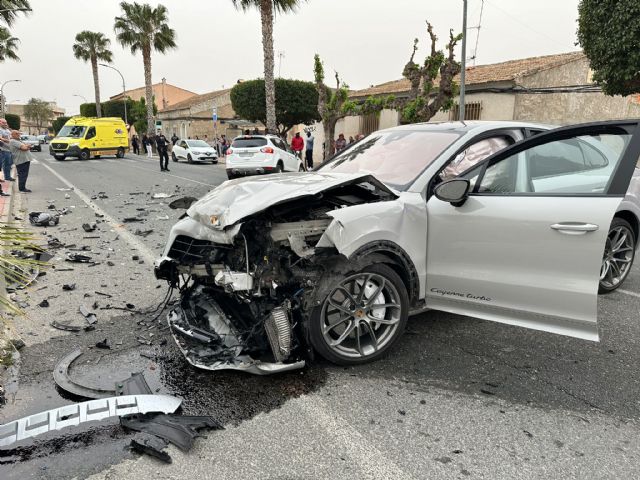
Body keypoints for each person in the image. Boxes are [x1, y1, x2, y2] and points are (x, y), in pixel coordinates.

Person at [0, 118, 15, 182]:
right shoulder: (0, 130)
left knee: (10, 163)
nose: (5, 124)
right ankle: (7, 177)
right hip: (4, 149)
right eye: (4, 123)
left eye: (6, 123)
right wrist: (9, 141)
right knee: (6, 164)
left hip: (10, 149)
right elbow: (0, 138)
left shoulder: (7, 130)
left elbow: (10, 136)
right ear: (0, 123)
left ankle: (7, 176)